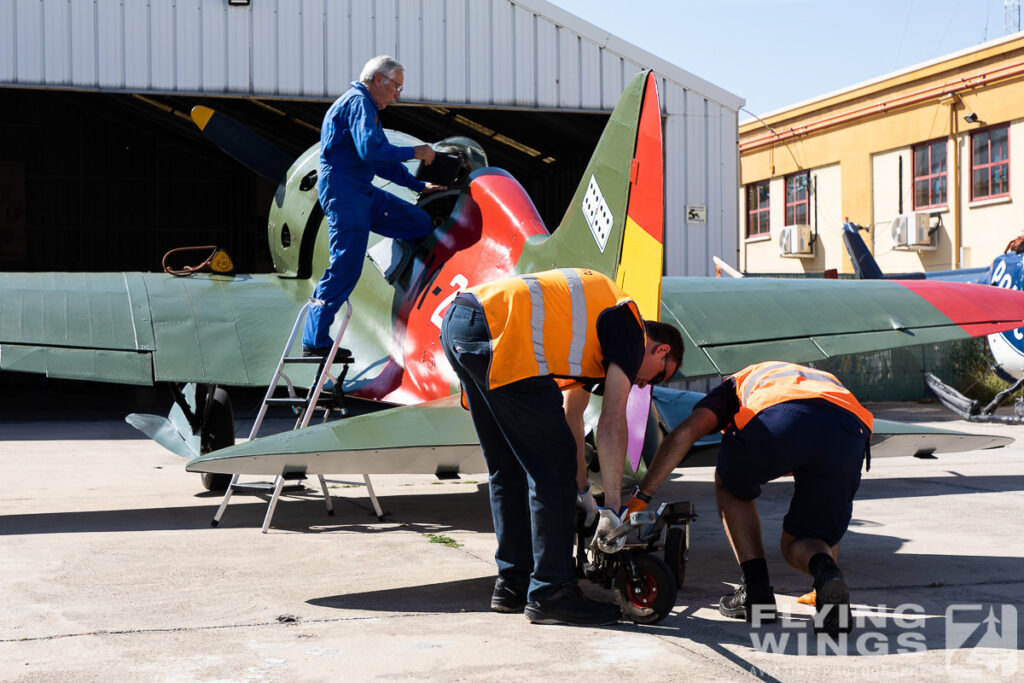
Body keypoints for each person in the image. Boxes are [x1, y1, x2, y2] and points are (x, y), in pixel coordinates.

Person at [439, 268, 683, 626]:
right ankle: (551, 592)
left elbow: (573, 417)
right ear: (661, 350)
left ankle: (513, 584)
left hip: (461, 321)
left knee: (508, 469)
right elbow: (612, 422)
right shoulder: (628, 326)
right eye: (659, 374)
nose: (645, 383)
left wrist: (583, 491)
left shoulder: (592, 337)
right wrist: (612, 509)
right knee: (552, 473)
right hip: (502, 332)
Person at [624, 361, 872, 637]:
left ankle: (757, 595)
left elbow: (685, 434)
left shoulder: (735, 384)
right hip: (849, 428)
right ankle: (828, 582)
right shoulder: (817, 377)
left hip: (781, 415)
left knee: (729, 484)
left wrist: (641, 497)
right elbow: (819, 421)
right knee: (808, 538)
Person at [303, 55, 446, 357]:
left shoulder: (366, 108)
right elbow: (371, 151)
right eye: (397, 87)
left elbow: (380, 162)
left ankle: (417, 285)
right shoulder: (358, 103)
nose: (397, 96)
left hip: (362, 191)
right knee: (345, 265)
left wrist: (420, 186)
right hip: (344, 192)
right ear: (379, 80)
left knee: (418, 222)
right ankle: (314, 340)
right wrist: (416, 152)